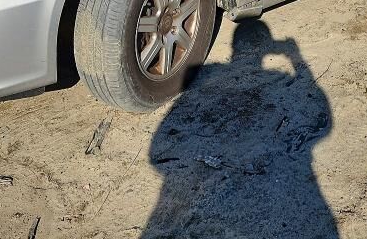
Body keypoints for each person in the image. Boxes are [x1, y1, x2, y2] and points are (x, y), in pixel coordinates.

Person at [141, 20, 338, 239]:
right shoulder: (277, 78)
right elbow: (323, 118)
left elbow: (155, 152)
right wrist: (295, 55)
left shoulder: (213, 74)